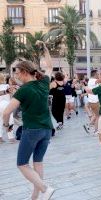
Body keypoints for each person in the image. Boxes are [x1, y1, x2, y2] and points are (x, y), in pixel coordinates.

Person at [3, 41, 55, 200]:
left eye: (17, 72)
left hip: (32, 130)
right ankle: (35, 197)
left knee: (22, 164)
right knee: (37, 162)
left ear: (25, 72)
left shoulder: (23, 90)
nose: (16, 76)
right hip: (47, 129)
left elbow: (6, 112)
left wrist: (7, 126)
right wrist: (45, 49)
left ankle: (45, 189)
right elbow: (50, 66)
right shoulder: (43, 83)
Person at [0, 73, 15, 143]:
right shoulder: (7, 86)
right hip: (6, 105)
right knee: (10, 120)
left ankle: (0, 138)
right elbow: (12, 96)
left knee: (0, 121)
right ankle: (11, 138)